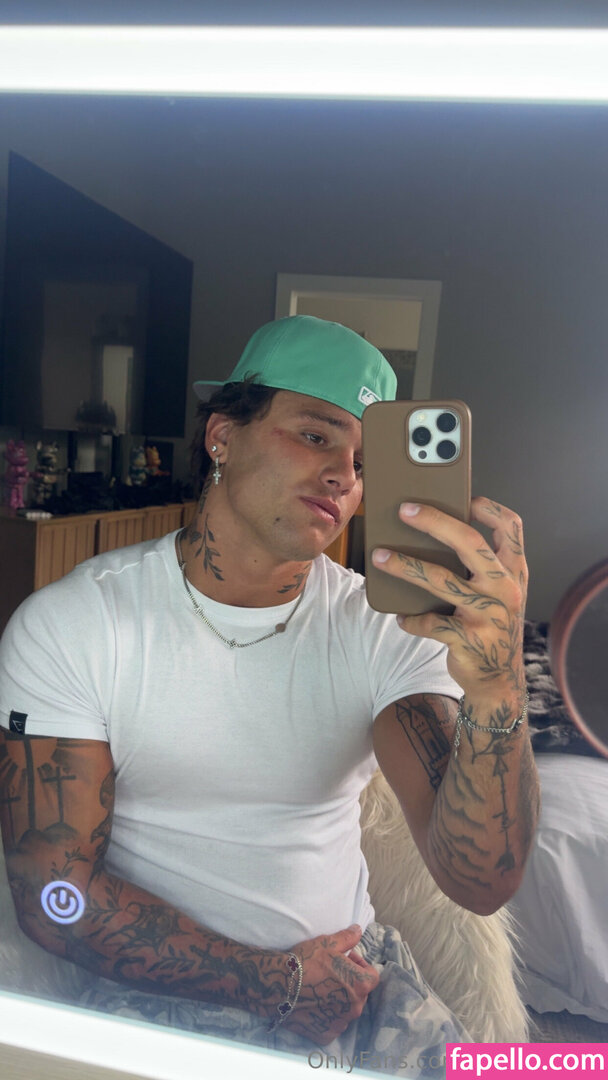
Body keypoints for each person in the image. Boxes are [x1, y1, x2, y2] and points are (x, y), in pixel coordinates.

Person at [0, 316, 539, 1077]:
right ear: (223, 436)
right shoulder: (78, 625)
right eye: (316, 436)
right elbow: (53, 897)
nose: (343, 476)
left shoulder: (383, 630)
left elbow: (479, 881)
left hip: (358, 993)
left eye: (362, 462)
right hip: (161, 1001)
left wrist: (497, 687)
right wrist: (274, 983)